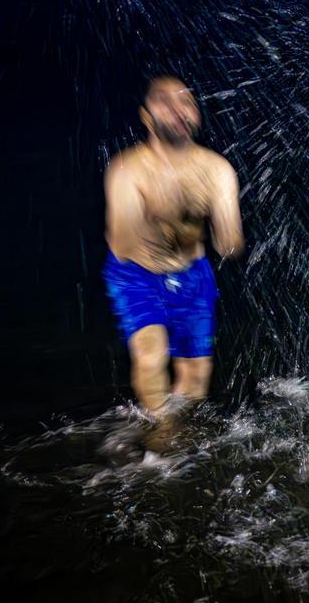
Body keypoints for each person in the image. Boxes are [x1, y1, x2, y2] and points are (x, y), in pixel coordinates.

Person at [103, 76, 243, 415]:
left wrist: (225, 234)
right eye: (165, 102)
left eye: (186, 101)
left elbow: (230, 245)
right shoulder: (128, 170)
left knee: (196, 376)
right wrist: (164, 211)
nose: (178, 109)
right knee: (151, 355)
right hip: (137, 275)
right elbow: (122, 246)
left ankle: (177, 447)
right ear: (147, 117)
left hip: (193, 275)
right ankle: (161, 437)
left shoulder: (217, 170)